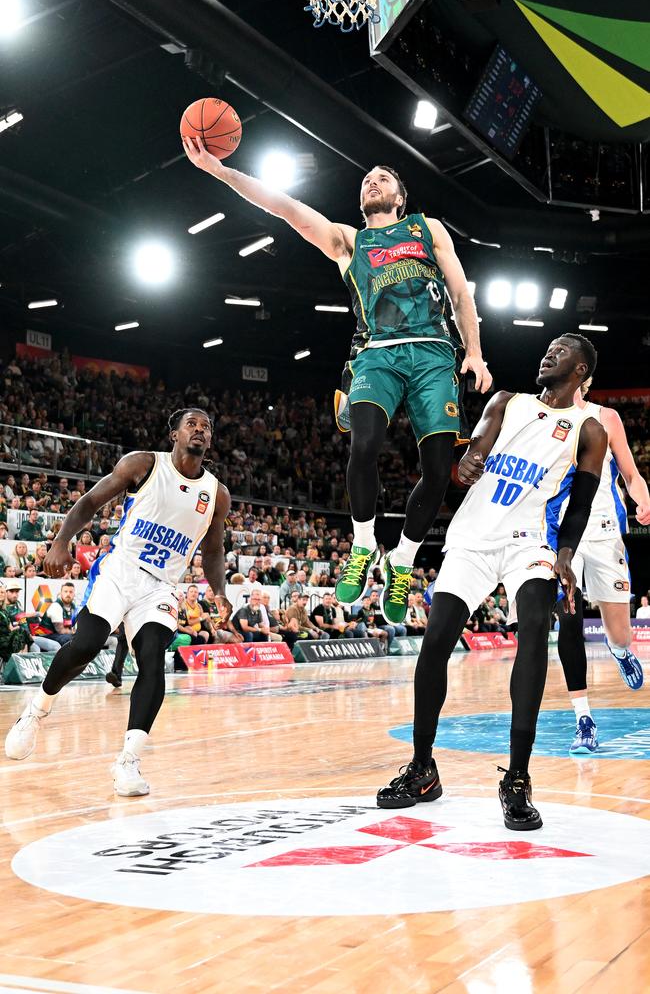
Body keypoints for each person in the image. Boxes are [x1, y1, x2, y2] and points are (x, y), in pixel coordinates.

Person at [182, 139, 492, 626]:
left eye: (384, 178)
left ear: (400, 198)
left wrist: (474, 351)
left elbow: (459, 289)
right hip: (375, 355)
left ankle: (403, 561)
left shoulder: (427, 230)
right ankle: (364, 544)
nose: (373, 180)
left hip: (434, 354)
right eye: (367, 178)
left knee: (437, 471)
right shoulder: (348, 240)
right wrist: (220, 171)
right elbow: (283, 206)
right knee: (363, 444)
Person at [377, 335, 607, 831]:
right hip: (474, 536)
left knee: (532, 639)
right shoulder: (507, 401)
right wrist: (464, 466)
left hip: (529, 542)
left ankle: (517, 779)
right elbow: (472, 456)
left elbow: (582, 504)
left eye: (561, 350)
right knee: (435, 641)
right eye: (546, 346)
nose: (547, 352)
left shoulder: (586, 428)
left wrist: (565, 556)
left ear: (581, 368)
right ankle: (423, 768)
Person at [5, 408, 230, 797]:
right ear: (174, 434)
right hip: (120, 570)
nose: (200, 430)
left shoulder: (216, 494)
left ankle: (128, 760)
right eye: (191, 424)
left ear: (209, 440)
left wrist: (220, 590)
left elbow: (213, 551)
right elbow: (90, 502)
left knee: (152, 655)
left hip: (161, 587)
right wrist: (61, 542)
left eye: (206, 426)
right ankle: (37, 709)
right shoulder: (143, 464)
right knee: (87, 646)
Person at [556, 376, 650, 754]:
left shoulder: (605, 417)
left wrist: (643, 500)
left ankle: (620, 650)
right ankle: (583, 718)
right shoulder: (539, 414)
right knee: (568, 618)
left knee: (620, 634)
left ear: (586, 378)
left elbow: (630, 473)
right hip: (560, 535)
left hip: (604, 530)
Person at [31, 581, 76, 654]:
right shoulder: (56, 606)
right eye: (65, 591)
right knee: (70, 639)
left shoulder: (73, 607)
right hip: (45, 635)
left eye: (71, 592)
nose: (68, 594)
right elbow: (60, 630)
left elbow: (74, 625)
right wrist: (75, 633)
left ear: (74, 594)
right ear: (61, 593)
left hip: (57, 634)